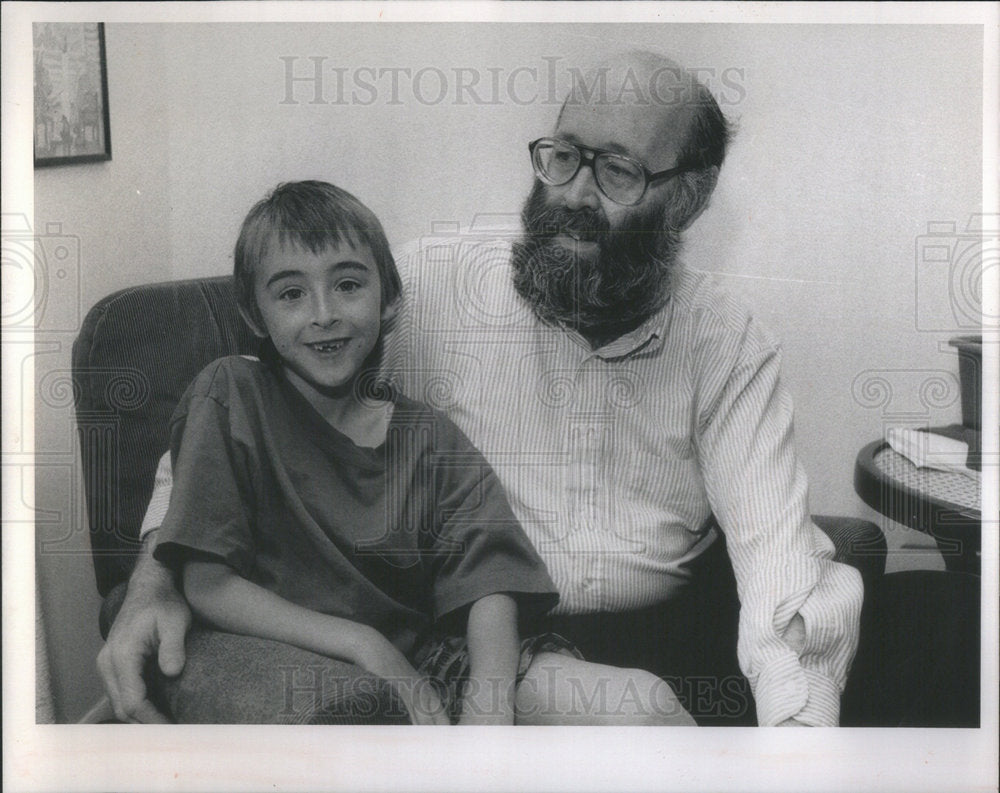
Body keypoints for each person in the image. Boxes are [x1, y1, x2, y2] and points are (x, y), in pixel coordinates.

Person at [97, 51, 979, 727]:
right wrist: (156, 578)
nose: (571, 194)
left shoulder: (727, 341)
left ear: (689, 198)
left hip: (655, 636)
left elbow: (785, 583)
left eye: (618, 171)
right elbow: (248, 410)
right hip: (467, 633)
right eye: (562, 155)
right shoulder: (429, 287)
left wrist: (795, 755)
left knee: (923, 615)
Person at [139, 178, 694, 726]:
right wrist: (367, 647)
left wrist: (488, 715)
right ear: (254, 317)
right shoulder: (230, 393)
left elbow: (490, 584)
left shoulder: (430, 436)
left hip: (430, 661)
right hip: (296, 667)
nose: (324, 313)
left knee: (647, 708)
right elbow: (207, 584)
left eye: (349, 285)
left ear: (389, 300)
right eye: (291, 293)